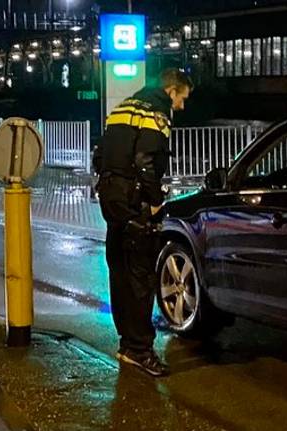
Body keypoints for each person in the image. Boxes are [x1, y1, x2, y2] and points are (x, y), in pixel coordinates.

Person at [93, 68, 192, 377]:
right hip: (134, 202)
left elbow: (100, 155)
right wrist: (155, 201)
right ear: (171, 91)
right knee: (140, 277)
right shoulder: (156, 114)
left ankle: (126, 343)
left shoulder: (123, 107)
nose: (182, 106)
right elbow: (145, 162)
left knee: (119, 270)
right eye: (182, 98)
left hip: (111, 199)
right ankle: (140, 350)